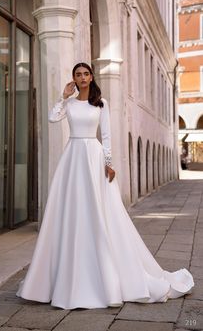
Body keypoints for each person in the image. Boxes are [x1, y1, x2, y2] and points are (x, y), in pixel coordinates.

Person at [16, 62, 194, 310]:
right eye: (77, 75)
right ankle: (67, 275)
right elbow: (51, 117)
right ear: (74, 79)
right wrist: (63, 96)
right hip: (72, 158)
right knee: (70, 211)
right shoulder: (68, 103)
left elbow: (107, 136)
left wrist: (108, 163)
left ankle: (105, 273)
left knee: (100, 212)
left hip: (93, 156)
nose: (82, 78)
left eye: (85, 74)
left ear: (91, 76)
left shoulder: (101, 103)